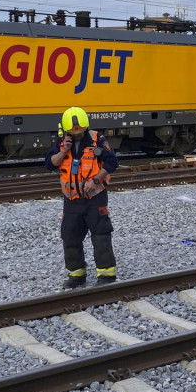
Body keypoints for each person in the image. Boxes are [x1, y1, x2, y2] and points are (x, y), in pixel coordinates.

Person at [46, 106, 119, 288]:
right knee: (70, 237)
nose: (78, 134)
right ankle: (76, 276)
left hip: (95, 197)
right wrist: (63, 151)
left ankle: (106, 275)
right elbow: (49, 164)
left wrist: (95, 180)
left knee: (101, 235)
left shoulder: (97, 139)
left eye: (80, 131)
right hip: (71, 200)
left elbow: (112, 162)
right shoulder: (61, 143)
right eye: (73, 132)